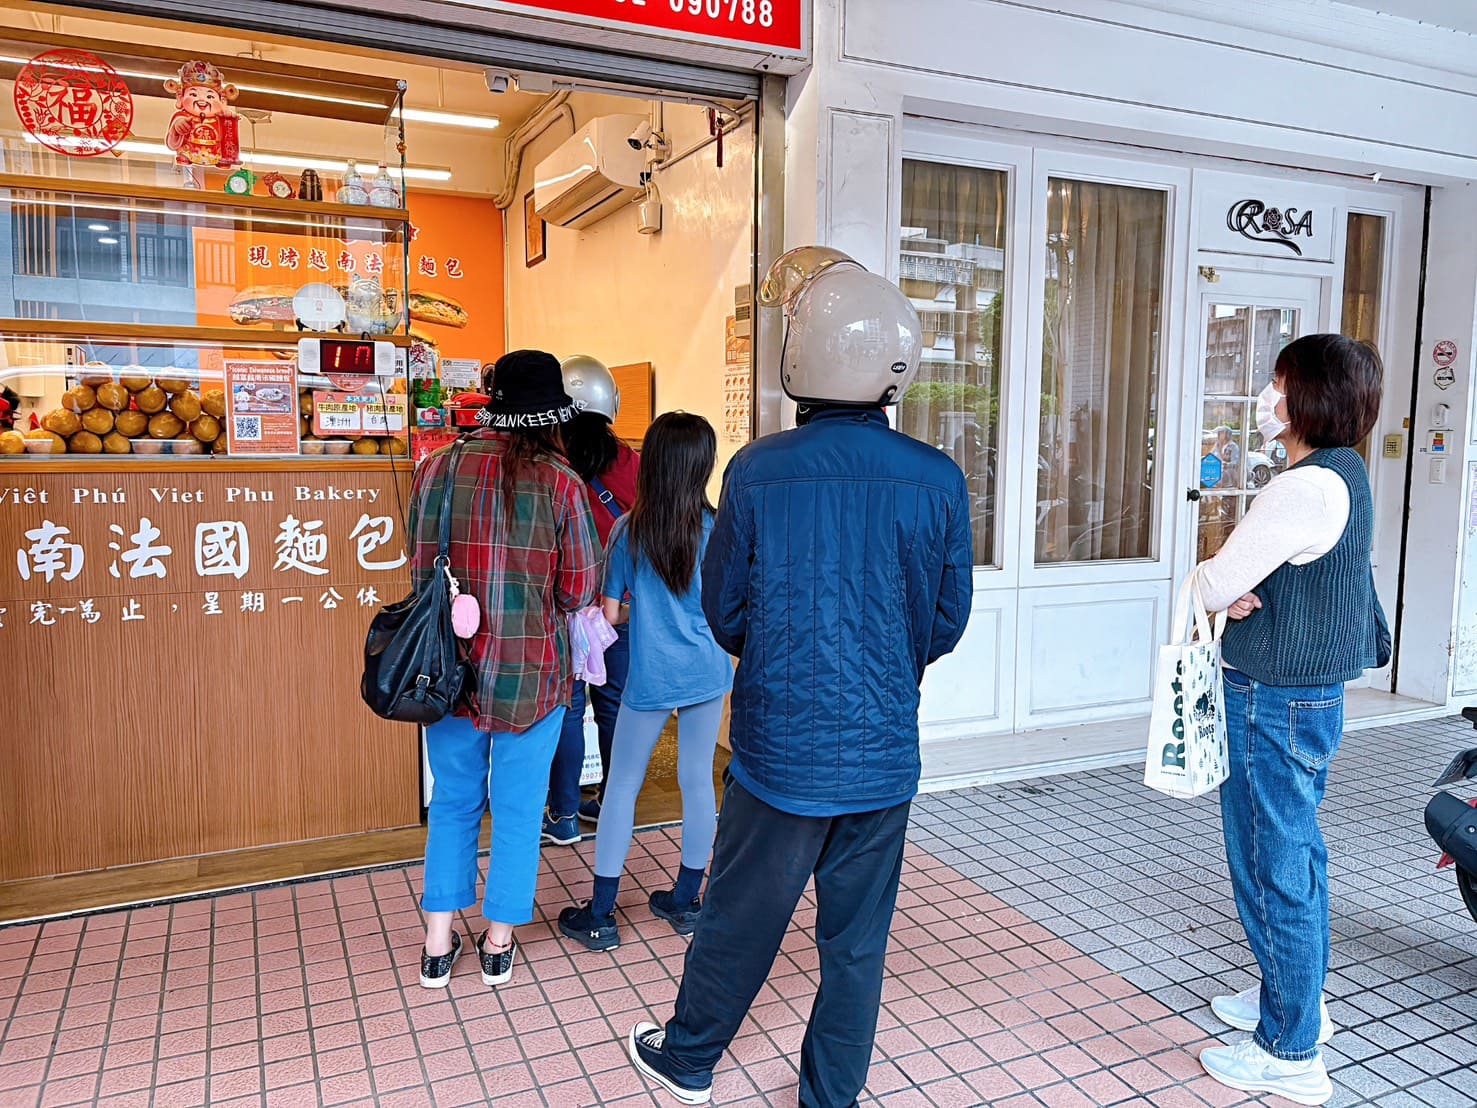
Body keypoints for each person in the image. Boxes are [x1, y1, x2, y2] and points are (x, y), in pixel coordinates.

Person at [623, 247, 974, 1107]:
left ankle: (690, 1058)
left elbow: (726, 609)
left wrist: (782, 655)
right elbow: (945, 620)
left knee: (741, 920)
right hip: (884, 753)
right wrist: (886, 666)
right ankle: (830, 1095)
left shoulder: (757, 469)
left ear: (798, 355)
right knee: (857, 944)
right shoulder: (937, 479)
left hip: (780, 753)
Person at [1194, 335, 1389, 1106]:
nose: (1267, 399)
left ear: (1309, 396)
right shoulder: (1342, 474)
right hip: (1305, 697)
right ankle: (1293, 999)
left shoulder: (1301, 487)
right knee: (1294, 857)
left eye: (1278, 385)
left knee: (1272, 864)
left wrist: (1218, 585)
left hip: (1270, 700)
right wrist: (1240, 585)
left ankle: (1289, 1050)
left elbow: (1212, 582)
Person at [411, 350, 600, 991]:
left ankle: (438, 943)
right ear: (551, 417)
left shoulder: (435, 469)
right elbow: (578, 592)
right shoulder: (562, 485)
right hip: (535, 675)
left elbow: (417, 572)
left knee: (454, 800)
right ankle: (497, 944)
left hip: (447, 674)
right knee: (520, 810)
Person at [558, 412, 733, 951]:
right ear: (703, 465)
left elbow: (610, 614)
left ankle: (603, 915)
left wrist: (651, 612)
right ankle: (685, 901)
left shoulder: (629, 529)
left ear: (652, 462)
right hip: (708, 673)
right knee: (698, 780)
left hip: (651, 677)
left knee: (623, 786)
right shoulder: (717, 528)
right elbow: (726, 605)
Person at [542, 355, 640, 846]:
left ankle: (562, 817)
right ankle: (613, 806)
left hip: (559, 606)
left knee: (564, 708)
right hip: (618, 608)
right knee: (613, 707)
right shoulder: (630, 461)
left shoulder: (547, 460)